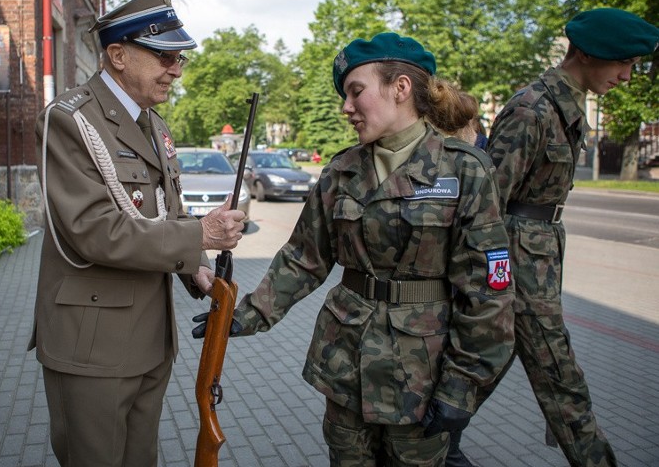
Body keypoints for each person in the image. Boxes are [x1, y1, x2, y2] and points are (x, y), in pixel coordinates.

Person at [196, 32, 515, 466]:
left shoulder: (463, 170)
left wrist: (464, 385)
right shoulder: (342, 170)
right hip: (345, 363)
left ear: (400, 87)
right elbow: (305, 258)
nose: (346, 107)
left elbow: (488, 294)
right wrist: (244, 313)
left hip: (422, 372)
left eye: (356, 91)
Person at [30, 0, 246, 467]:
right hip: (93, 343)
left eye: (180, 59)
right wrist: (199, 236)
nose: (176, 69)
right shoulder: (69, 119)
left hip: (151, 338)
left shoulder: (155, 126)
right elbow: (91, 230)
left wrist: (198, 267)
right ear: (118, 54)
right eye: (164, 56)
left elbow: (166, 216)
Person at [453, 7, 659, 467]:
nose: (627, 76)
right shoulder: (533, 108)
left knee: (487, 362)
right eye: (622, 62)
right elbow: (486, 204)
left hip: (537, 255)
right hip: (516, 264)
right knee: (560, 377)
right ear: (586, 54)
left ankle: (426, 442)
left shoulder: (565, 102)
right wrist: (484, 282)